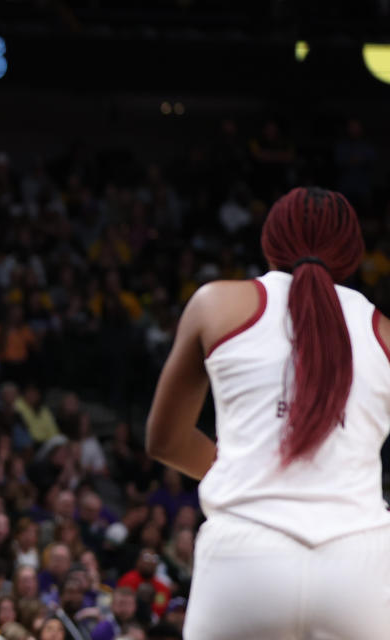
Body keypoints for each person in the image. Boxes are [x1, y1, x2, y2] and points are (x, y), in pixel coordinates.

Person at [146, 186, 390, 638]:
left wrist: (249, 469)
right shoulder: (383, 333)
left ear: (270, 243)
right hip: (360, 565)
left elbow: (165, 440)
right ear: (353, 253)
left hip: (243, 556)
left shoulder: (217, 304)